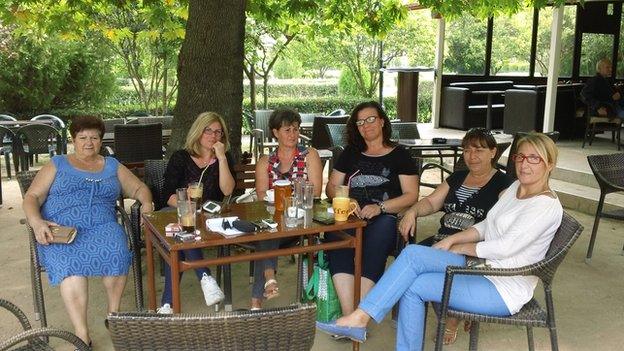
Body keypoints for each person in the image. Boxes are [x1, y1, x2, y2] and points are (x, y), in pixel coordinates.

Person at [317, 132, 563, 351]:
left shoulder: (543, 205)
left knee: (413, 254)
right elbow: (487, 225)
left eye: (534, 159)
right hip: (482, 270)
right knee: (413, 286)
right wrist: (453, 239)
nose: (524, 164)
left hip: (503, 287)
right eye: (521, 157)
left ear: (549, 164)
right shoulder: (516, 189)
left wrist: (458, 247)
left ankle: (361, 317)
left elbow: (505, 247)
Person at [22, 115, 153, 346]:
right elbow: (32, 196)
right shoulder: (58, 164)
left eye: (94, 137)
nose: (88, 142)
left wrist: (147, 204)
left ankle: (113, 317)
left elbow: (139, 187)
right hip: (62, 229)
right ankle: (82, 335)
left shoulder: (112, 165)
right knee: (71, 266)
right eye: (82, 137)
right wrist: (36, 221)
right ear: (73, 140)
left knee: (117, 251)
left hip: (103, 225)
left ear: (101, 141)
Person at [398, 127, 513, 344]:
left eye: (479, 150)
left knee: (418, 267)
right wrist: (412, 211)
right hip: (441, 240)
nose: (472, 156)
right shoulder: (457, 177)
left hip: (470, 248)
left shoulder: (503, 184)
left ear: (493, 152)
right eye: (467, 150)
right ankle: (454, 311)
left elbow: (504, 224)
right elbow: (432, 202)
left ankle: (452, 316)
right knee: (412, 266)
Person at [325, 101, 420, 317]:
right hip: (351, 215)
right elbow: (331, 187)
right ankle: (351, 314)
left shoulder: (400, 155)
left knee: (381, 232)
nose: (365, 125)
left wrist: (380, 207)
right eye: (360, 122)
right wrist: (344, 199)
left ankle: (361, 311)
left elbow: (411, 195)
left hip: (385, 217)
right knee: (335, 236)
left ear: (382, 121)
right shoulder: (350, 152)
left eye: (370, 119)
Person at [157, 111, 235, 314]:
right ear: (198, 132)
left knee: (180, 236)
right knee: (184, 227)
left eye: (218, 132)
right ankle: (205, 277)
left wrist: (222, 159)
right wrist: (188, 209)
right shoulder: (181, 157)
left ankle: (168, 304)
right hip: (179, 212)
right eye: (208, 130)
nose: (213, 136)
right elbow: (167, 194)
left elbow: (227, 191)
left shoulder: (223, 159)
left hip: (210, 217)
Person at [252, 108, 323, 310]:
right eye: (287, 130)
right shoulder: (266, 162)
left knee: (267, 233)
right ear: (275, 132)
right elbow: (260, 196)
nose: (293, 134)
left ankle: (258, 298)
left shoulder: (309, 155)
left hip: (303, 221)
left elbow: (316, 192)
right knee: (269, 230)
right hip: (274, 221)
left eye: (295, 129)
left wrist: (288, 200)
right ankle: (268, 284)